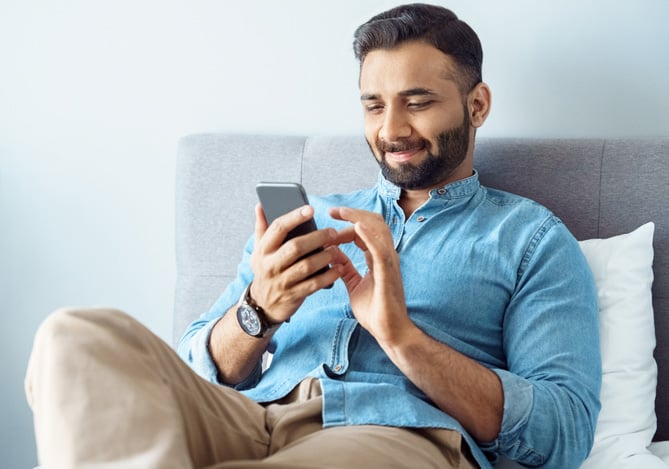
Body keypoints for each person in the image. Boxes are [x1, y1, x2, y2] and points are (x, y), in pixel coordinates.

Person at [25, 3, 601, 468]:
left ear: (477, 105)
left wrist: (402, 339)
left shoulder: (530, 239)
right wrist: (259, 309)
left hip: (393, 433)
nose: (391, 129)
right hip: (250, 419)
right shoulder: (310, 220)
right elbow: (190, 371)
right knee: (75, 336)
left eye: (417, 102)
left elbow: (563, 433)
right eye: (373, 105)